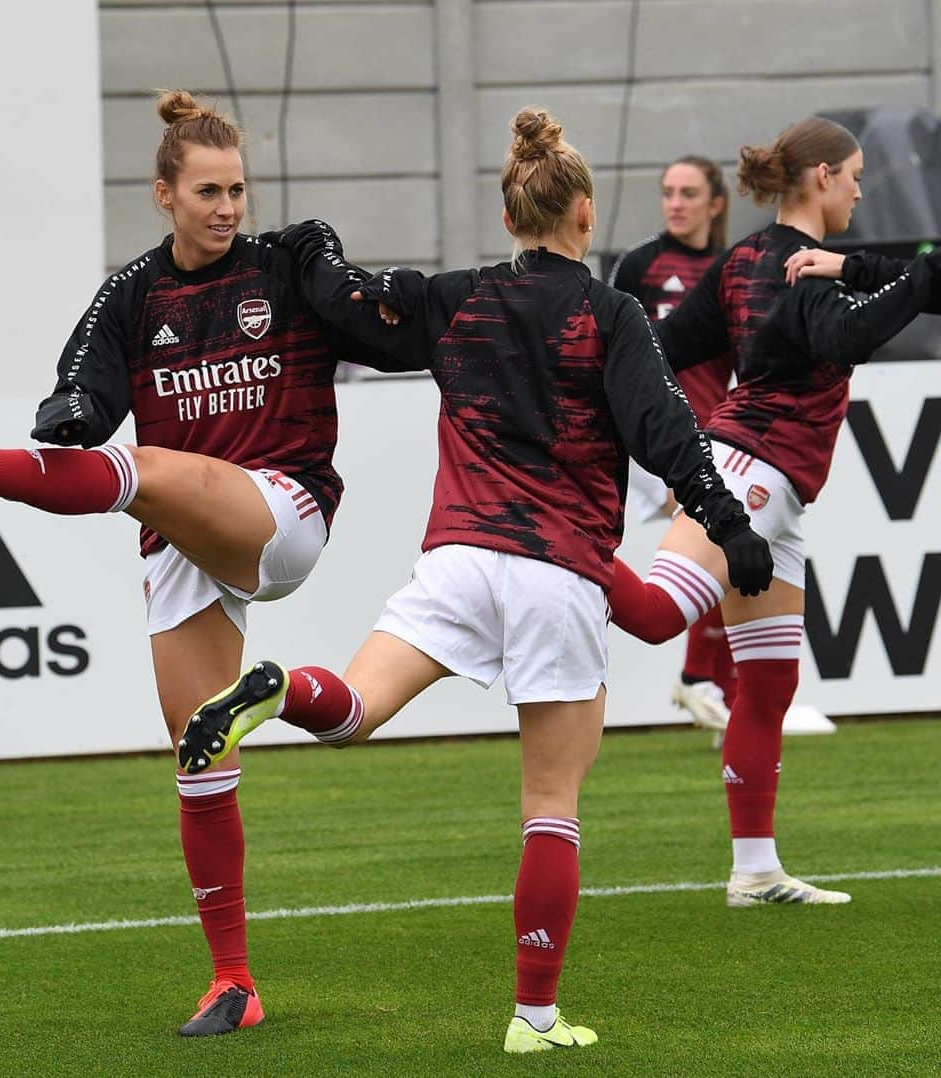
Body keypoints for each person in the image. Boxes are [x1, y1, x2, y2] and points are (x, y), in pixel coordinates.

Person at [172, 107, 772, 1052]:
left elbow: (352, 305)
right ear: (583, 212)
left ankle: (284, 687)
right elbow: (669, 435)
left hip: (455, 558)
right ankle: (534, 1017)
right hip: (559, 570)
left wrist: (306, 246)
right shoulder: (608, 314)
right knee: (551, 802)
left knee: (355, 710)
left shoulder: (457, 297)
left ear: (506, 219)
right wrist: (732, 530)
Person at [0, 90, 401, 1037]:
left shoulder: (284, 265)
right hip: (181, 542)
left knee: (145, 471)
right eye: (207, 192)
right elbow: (80, 388)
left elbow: (375, 319)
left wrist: (363, 284)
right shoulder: (132, 293)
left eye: (237, 190)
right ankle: (234, 983)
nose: (227, 208)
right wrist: (72, 423)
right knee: (201, 752)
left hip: (281, 512)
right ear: (163, 194)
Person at [604, 116, 941, 906]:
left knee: (768, 683)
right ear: (821, 177)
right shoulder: (798, 270)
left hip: (775, 488)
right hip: (750, 471)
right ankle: (556, 543)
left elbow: (662, 348)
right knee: (657, 616)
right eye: (854, 174)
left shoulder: (743, 257)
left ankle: (754, 871)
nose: (861, 188)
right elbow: (851, 333)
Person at [608, 156, 738, 733]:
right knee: (722, 556)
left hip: (717, 437)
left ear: (716, 203)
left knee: (733, 560)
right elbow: (610, 348)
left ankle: (712, 690)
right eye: (667, 192)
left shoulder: (732, 268)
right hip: (656, 442)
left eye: (688, 193)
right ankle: (703, 684)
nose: (675, 203)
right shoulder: (639, 264)